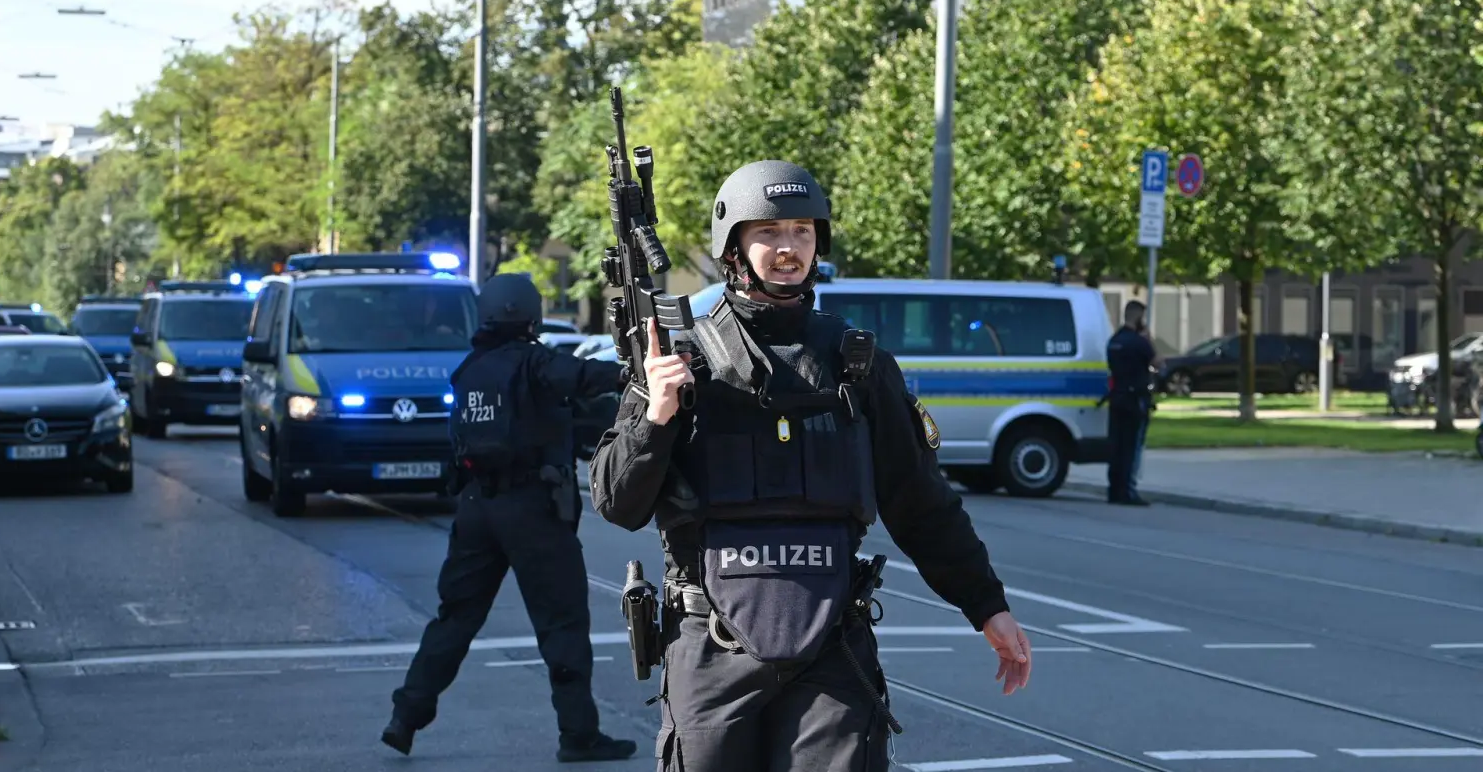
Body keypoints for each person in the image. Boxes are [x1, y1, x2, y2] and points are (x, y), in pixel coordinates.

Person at [588, 160, 1033, 771]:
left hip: (833, 648)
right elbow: (616, 501)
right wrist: (655, 414)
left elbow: (920, 503)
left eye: (802, 230)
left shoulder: (857, 364)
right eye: (769, 232)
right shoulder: (677, 356)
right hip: (713, 645)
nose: (789, 247)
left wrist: (988, 606)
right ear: (734, 245)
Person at [381, 272, 637, 763]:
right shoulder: (534, 361)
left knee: (454, 619)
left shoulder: (469, 370)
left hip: (476, 509)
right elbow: (582, 378)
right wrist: (634, 371)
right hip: (533, 510)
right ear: (531, 314)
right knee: (562, 623)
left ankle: (406, 717)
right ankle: (578, 734)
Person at [1104, 300, 1157, 506]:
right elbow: (1158, 362)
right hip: (1135, 400)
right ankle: (1128, 490)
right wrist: (1149, 340)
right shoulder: (1139, 342)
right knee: (1132, 447)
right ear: (1139, 317)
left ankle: (1114, 490)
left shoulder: (1114, 340)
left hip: (1117, 398)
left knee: (1116, 446)